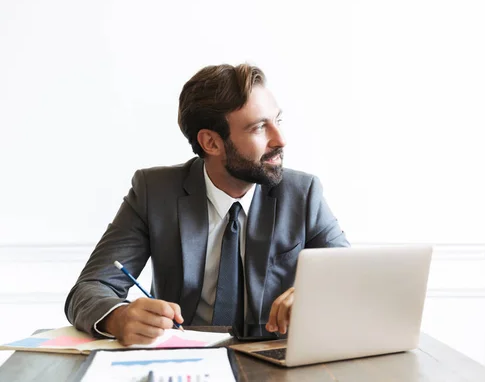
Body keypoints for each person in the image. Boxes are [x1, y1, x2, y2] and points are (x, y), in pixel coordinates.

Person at [64, 63, 349, 345]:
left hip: (276, 358)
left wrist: (316, 294)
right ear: (211, 143)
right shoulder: (154, 192)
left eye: (278, 121)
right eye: (260, 127)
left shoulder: (303, 193)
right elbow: (90, 289)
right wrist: (120, 317)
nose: (281, 140)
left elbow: (352, 277)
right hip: (182, 360)